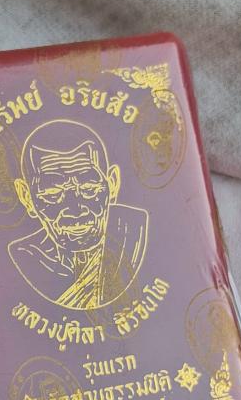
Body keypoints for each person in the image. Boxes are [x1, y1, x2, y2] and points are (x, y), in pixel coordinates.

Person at [9, 119, 148, 310]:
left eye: (88, 188)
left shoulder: (133, 234)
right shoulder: (26, 255)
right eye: (53, 193)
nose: (75, 210)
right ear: (27, 198)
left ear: (112, 184)